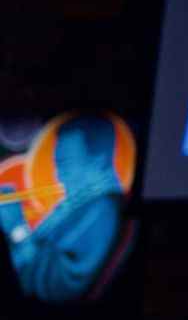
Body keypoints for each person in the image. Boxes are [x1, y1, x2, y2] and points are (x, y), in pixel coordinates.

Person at [0, 114, 127, 303]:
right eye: (57, 166)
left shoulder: (101, 209)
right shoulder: (77, 206)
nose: (59, 176)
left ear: (98, 160)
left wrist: (17, 228)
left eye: (65, 164)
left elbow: (60, 287)